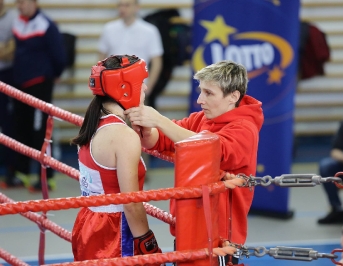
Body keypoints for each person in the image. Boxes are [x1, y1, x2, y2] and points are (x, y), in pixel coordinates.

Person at [124, 60, 264, 265]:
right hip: (189, 226)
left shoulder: (244, 128)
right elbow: (162, 139)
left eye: (209, 93)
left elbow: (213, 150)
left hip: (219, 236)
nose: (200, 100)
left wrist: (159, 120)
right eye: (201, 92)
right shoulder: (201, 119)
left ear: (233, 96)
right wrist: (144, 127)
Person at [71, 54, 162, 261]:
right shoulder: (122, 136)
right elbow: (130, 202)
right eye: (141, 83)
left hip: (88, 221)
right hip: (113, 230)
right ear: (125, 88)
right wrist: (146, 241)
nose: (145, 88)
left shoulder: (93, 121)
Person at [7, 0, 66, 191]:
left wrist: (53, 75)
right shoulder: (18, 22)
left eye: (23, 2)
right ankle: (21, 174)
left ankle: (47, 177)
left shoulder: (46, 24)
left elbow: (59, 56)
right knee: (20, 129)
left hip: (40, 85)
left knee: (41, 132)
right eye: (17, 3)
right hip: (20, 85)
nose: (19, 6)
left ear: (33, 2)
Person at [98, 0, 163, 108]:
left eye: (127, 5)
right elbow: (101, 58)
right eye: (120, 5)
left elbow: (157, 61)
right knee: (113, 121)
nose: (123, 8)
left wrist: (149, 87)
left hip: (138, 87)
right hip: (112, 86)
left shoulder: (150, 31)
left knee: (137, 122)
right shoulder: (108, 29)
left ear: (136, 7)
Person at [0, 0, 17, 185]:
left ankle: (10, 172)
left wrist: (6, 49)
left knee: (8, 124)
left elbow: (10, 52)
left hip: (6, 77)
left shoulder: (12, 19)